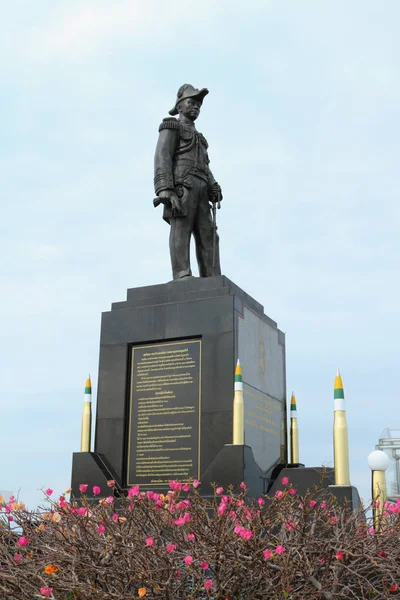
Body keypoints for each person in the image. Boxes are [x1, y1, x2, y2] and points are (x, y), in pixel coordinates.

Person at [154, 84, 223, 280]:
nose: (196, 107)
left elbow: (205, 166)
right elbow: (162, 156)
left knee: (209, 234)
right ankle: (182, 273)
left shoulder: (201, 139)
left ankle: (211, 277)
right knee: (181, 229)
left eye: (198, 105)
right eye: (191, 102)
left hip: (201, 189)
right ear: (180, 106)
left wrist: (213, 185)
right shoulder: (171, 127)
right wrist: (165, 188)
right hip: (183, 187)